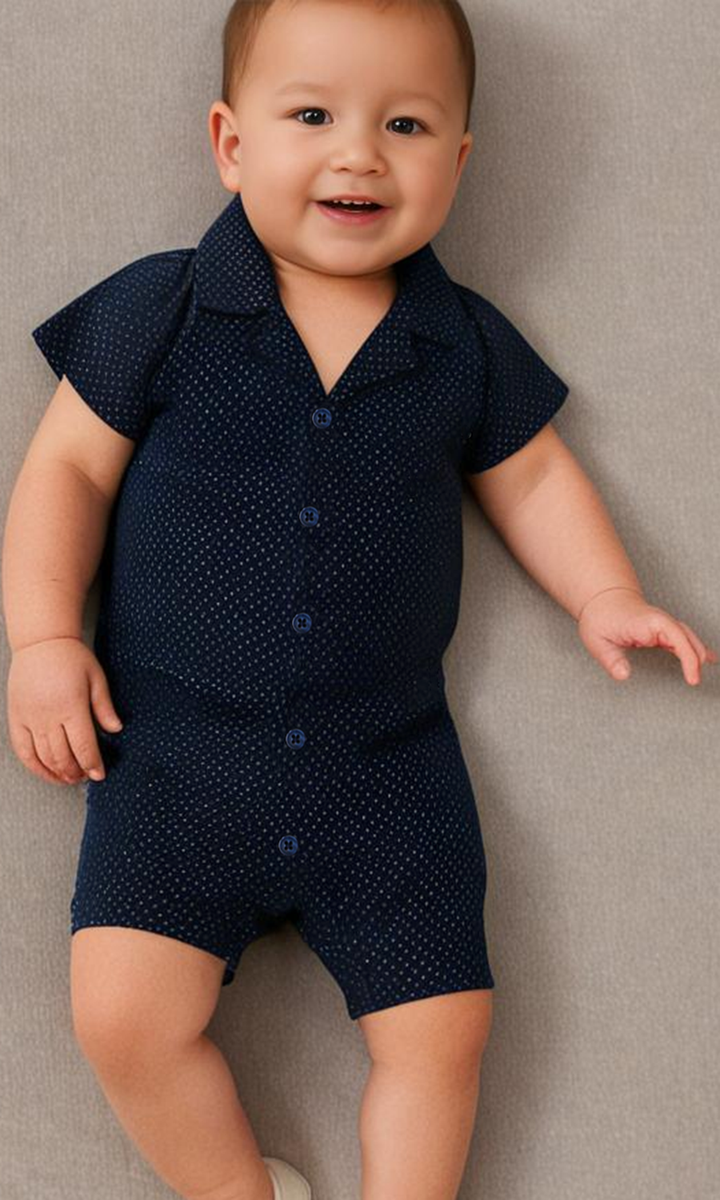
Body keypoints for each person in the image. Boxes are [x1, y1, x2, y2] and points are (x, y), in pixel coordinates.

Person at [4, 1, 716, 1198]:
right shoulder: (160, 309)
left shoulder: (462, 344)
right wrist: (40, 637)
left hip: (386, 769)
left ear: (461, 160)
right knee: (123, 1018)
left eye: (406, 125)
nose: (359, 155)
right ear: (230, 144)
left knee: (444, 1034)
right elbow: (66, 470)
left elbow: (536, 476)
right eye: (313, 116)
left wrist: (605, 593)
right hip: (173, 757)